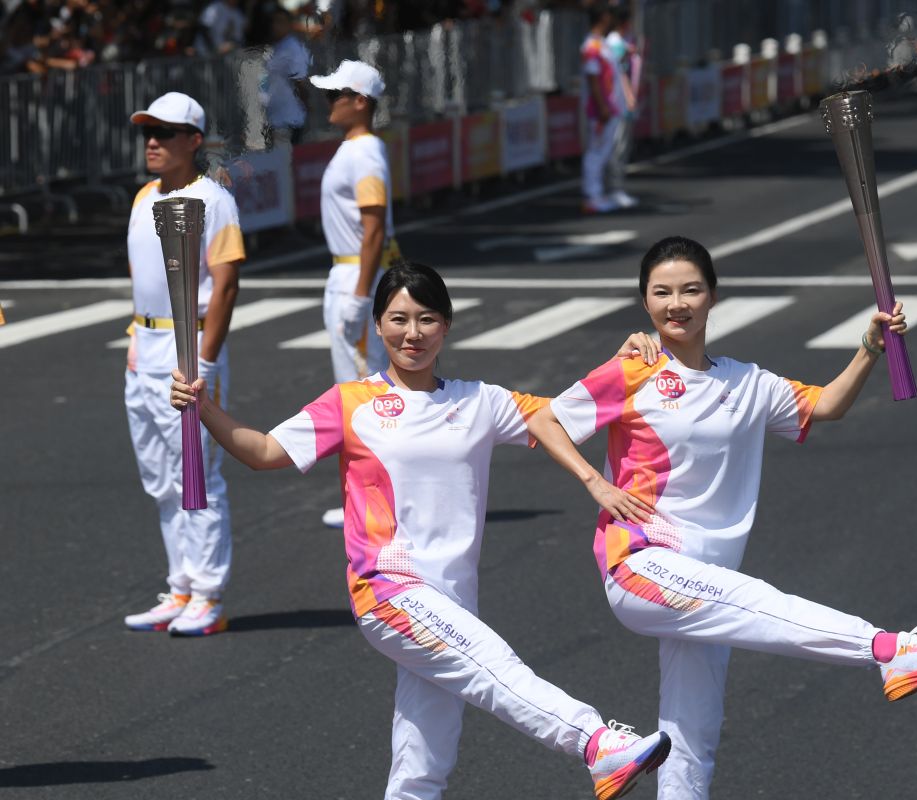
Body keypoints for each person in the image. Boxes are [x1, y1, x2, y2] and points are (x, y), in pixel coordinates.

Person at [169, 262, 671, 800]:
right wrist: (204, 408)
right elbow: (265, 452)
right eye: (398, 319)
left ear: (447, 325)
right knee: (495, 667)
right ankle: (595, 743)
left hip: (454, 599)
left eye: (427, 319)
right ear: (379, 326)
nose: (413, 334)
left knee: (425, 760)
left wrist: (623, 368)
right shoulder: (351, 403)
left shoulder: (482, 402)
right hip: (390, 591)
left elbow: (571, 414)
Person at [527, 236, 917, 799]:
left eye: (690, 289)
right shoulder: (632, 370)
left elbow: (826, 406)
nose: (677, 303)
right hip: (642, 565)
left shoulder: (748, 382)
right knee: (759, 601)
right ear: (645, 303)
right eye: (661, 292)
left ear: (713, 296)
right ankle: (888, 650)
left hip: (706, 575)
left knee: (693, 731)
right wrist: (596, 484)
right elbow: (547, 421)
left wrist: (870, 346)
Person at [122, 92, 244, 636]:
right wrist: (134, 335)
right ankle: (180, 586)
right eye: (148, 131)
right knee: (161, 479)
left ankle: (209, 595)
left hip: (186, 350)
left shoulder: (212, 199)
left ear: (193, 141)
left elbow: (226, 283)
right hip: (143, 349)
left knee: (196, 476)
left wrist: (207, 361)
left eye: (166, 133)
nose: (153, 141)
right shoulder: (144, 195)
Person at [309, 59, 400, 528]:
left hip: (355, 275)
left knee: (367, 394)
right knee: (359, 390)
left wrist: (361, 295)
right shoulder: (354, 149)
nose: (329, 103)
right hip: (346, 272)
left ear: (359, 101)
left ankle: (376, 504)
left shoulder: (364, 153)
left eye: (335, 95)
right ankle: (370, 499)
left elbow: (373, 226)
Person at [580, 5, 625, 214]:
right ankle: (592, 196)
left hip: (609, 108)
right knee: (596, 153)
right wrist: (602, 107)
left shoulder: (602, 45)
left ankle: (598, 194)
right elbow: (593, 80)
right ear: (603, 17)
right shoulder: (591, 46)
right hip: (599, 111)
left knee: (604, 151)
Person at [604, 5, 639, 209]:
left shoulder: (619, 43)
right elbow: (621, 74)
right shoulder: (614, 45)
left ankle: (616, 189)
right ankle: (614, 190)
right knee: (617, 148)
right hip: (617, 104)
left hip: (618, 103)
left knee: (621, 147)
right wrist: (628, 96)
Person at [260, 5, 310, 145]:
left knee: (285, 163)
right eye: (274, 22)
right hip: (274, 119)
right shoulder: (275, 48)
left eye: (280, 22)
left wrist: (305, 105)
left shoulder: (293, 48)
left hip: (288, 119)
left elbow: (300, 81)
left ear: (289, 24)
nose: (275, 26)